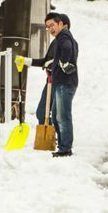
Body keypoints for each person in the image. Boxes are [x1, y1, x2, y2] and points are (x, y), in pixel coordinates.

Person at [16, 12, 79, 157]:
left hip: (64, 83)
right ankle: (61, 144)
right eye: (47, 26)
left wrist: (63, 62)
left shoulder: (64, 38)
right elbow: (46, 61)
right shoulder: (58, 40)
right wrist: (27, 61)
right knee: (57, 115)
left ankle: (65, 148)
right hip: (57, 82)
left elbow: (68, 50)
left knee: (62, 116)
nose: (50, 29)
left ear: (62, 24)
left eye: (52, 25)